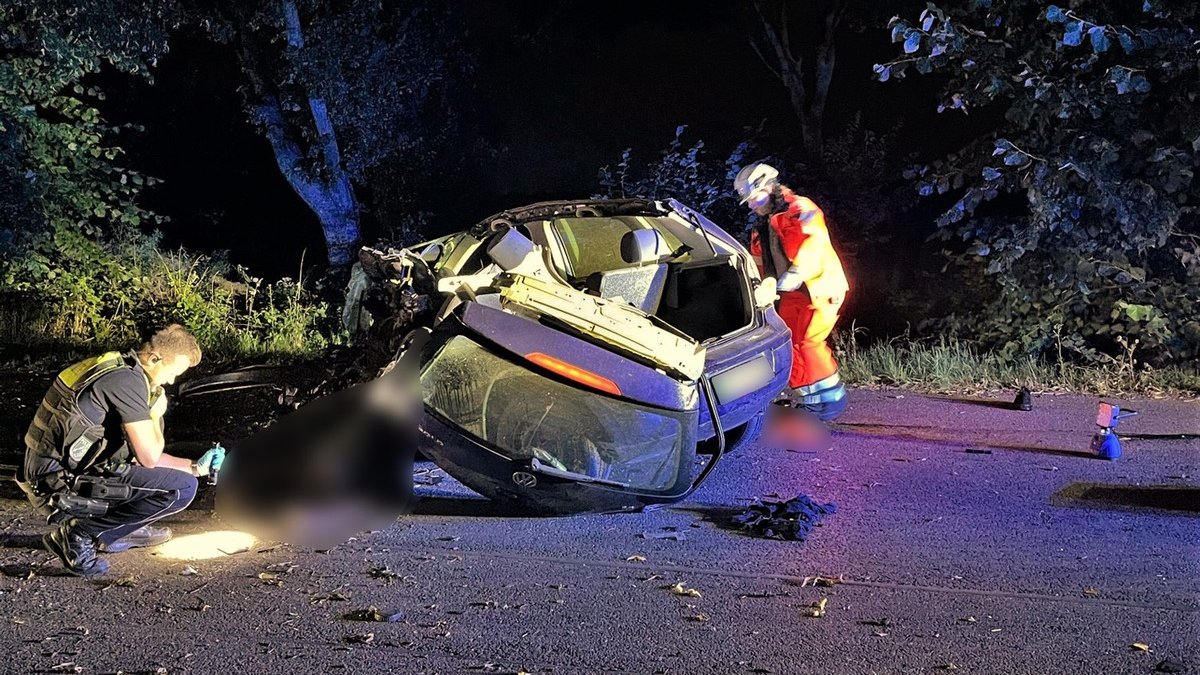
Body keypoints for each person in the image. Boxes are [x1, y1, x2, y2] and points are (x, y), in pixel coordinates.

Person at [15, 324, 225, 576]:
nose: (171, 381)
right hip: (57, 487)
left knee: (182, 477)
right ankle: (78, 535)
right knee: (182, 489)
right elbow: (149, 457)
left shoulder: (117, 368)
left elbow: (138, 457)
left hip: (47, 475)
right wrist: (157, 411)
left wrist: (195, 467)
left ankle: (123, 527)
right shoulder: (127, 382)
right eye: (172, 372)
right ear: (154, 358)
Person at [735, 162, 849, 421]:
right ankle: (810, 400)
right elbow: (758, 263)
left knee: (808, 342)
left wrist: (792, 276)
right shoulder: (763, 227)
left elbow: (813, 242)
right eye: (749, 201)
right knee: (790, 343)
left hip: (818, 288)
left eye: (754, 198)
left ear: (769, 187)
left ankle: (830, 400)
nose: (752, 205)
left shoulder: (799, 208)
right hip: (792, 294)